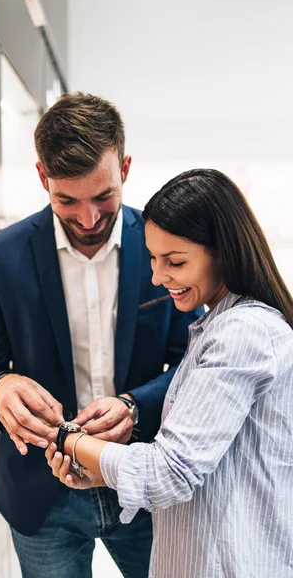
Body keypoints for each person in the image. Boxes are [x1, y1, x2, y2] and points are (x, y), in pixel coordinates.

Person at [0, 93, 201, 578]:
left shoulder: (166, 248)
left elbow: (194, 363)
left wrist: (135, 406)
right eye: (66, 200)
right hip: (42, 502)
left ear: (125, 168)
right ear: (43, 177)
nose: (88, 219)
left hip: (144, 487)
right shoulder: (1, 255)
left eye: (103, 196)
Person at [46, 168, 293, 578]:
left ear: (224, 251)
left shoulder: (243, 332)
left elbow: (170, 472)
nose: (159, 277)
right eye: (153, 259)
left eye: (175, 262)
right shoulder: (217, 326)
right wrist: (102, 472)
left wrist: (65, 436)